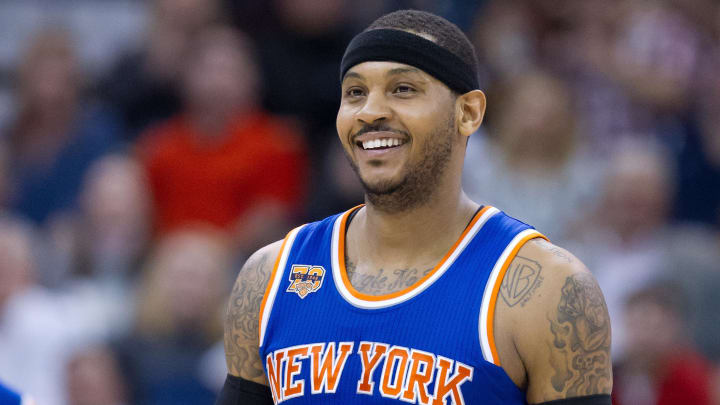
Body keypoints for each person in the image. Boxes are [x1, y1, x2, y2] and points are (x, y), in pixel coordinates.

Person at [217, 9, 612, 405]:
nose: (370, 112)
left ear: (468, 112)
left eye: (403, 89)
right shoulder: (268, 277)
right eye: (355, 92)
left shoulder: (549, 289)